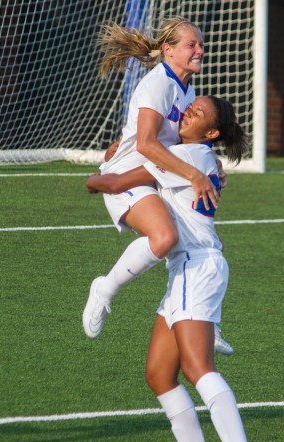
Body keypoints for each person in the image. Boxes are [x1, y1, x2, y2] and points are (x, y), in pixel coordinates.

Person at [85, 95, 264, 442]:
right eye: (189, 107)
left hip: (197, 268)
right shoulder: (192, 156)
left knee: (197, 367)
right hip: (188, 270)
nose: (187, 112)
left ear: (211, 133)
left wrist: (97, 176)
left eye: (197, 113)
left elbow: (116, 182)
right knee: (159, 374)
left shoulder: (188, 156)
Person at [83, 16, 226, 343]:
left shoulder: (186, 91)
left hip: (154, 180)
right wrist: (193, 174)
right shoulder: (160, 83)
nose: (200, 50)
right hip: (127, 180)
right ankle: (104, 288)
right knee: (164, 237)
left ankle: (201, 317)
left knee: (202, 239)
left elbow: (176, 142)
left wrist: (211, 164)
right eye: (192, 45)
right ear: (169, 50)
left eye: (201, 44)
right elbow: (146, 143)